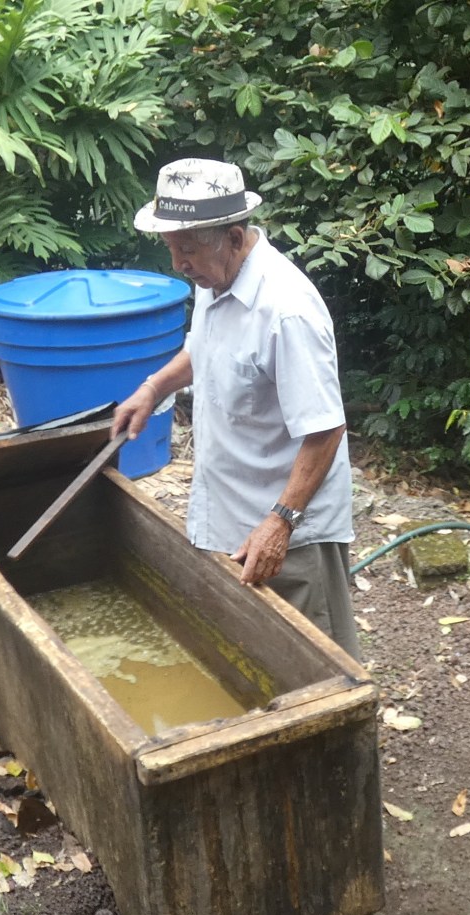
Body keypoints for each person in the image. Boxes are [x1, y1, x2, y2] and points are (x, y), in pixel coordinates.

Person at [112, 157, 361, 661]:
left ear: (233, 234)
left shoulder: (286, 310)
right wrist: (154, 388)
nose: (180, 263)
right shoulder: (216, 277)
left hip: (291, 532)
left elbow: (326, 428)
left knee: (316, 668)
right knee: (252, 654)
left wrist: (280, 522)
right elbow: (204, 348)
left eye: (189, 248)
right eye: (172, 248)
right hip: (229, 512)